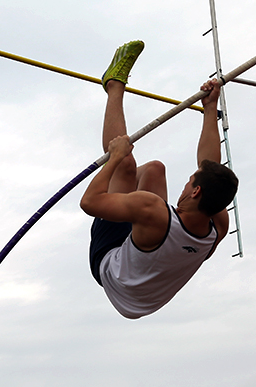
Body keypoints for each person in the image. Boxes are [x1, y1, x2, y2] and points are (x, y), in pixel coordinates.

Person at [80, 40, 239, 319]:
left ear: (196, 191)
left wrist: (115, 156)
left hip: (115, 275)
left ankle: (113, 85)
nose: (185, 183)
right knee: (154, 168)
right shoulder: (217, 226)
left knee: (126, 166)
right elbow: (209, 165)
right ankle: (126, 177)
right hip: (147, 290)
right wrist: (209, 109)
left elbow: (90, 202)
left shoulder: (152, 209)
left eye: (190, 181)